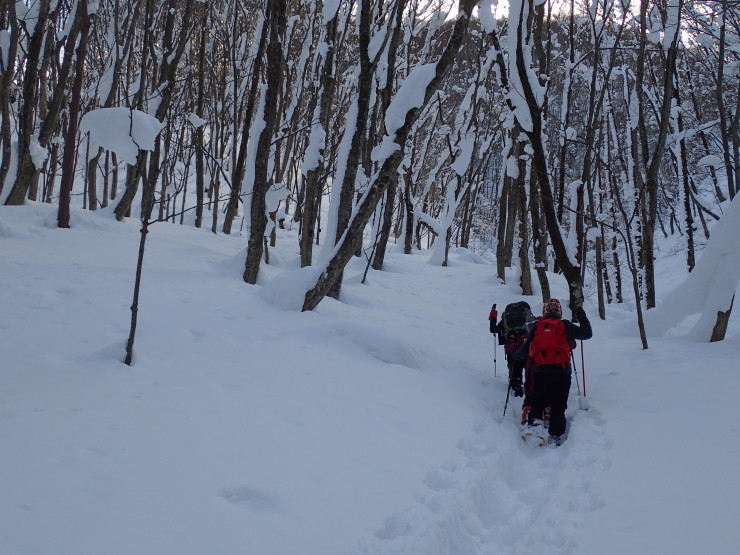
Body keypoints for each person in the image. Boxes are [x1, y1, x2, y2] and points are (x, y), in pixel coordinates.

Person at [513, 298, 592, 446]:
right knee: (558, 406)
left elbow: (525, 350)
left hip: (540, 371)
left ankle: (535, 428)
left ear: (544, 311)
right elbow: (587, 334)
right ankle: (554, 437)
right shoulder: (565, 325)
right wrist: (581, 315)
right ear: (560, 312)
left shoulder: (537, 326)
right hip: (562, 372)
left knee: (537, 402)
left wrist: (515, 356)